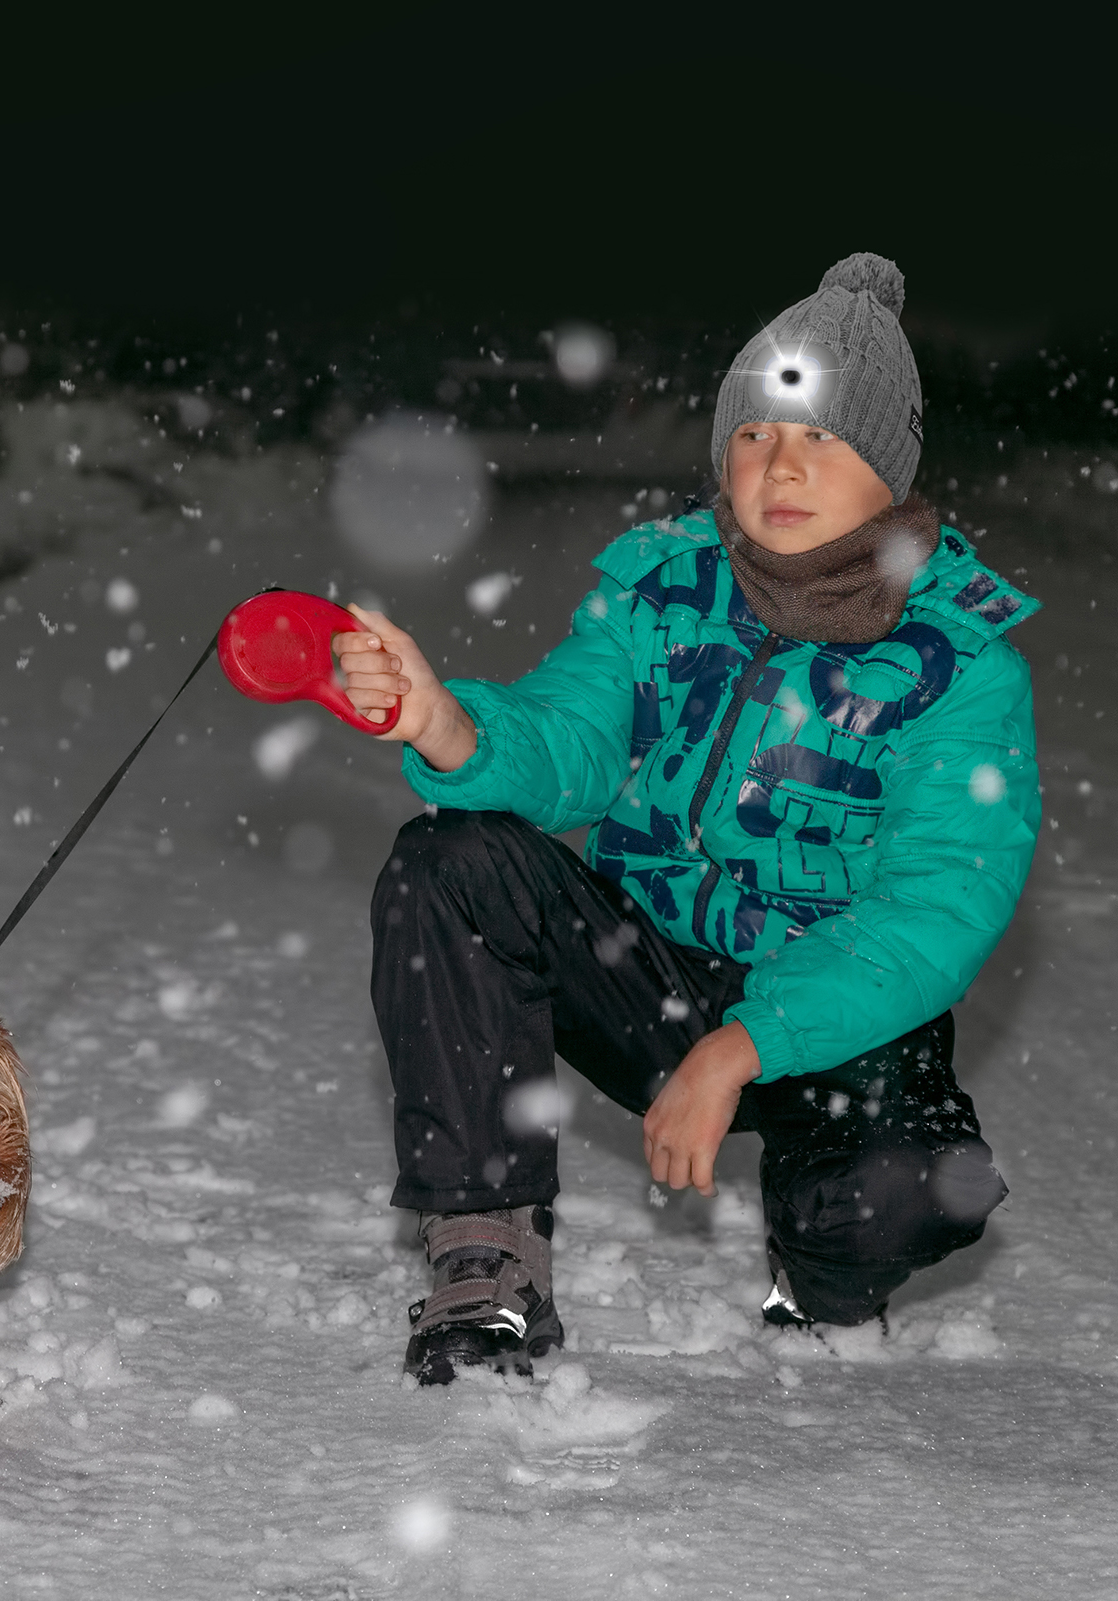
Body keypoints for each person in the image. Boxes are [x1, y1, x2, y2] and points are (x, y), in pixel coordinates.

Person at [335, 254, 1039, 1385]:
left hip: (834, 1007)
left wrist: (744, 1044)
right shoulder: (658, 589)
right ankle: (485, 1248)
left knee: (907, 1188)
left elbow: (934, 906)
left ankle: (815, 1270)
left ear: (887, 468)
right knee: (449, 860)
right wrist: (447, 724)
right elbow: (567, 738)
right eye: (755, 433)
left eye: (818, 435)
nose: (780, 464)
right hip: (647, 966)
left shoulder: (961, 668)